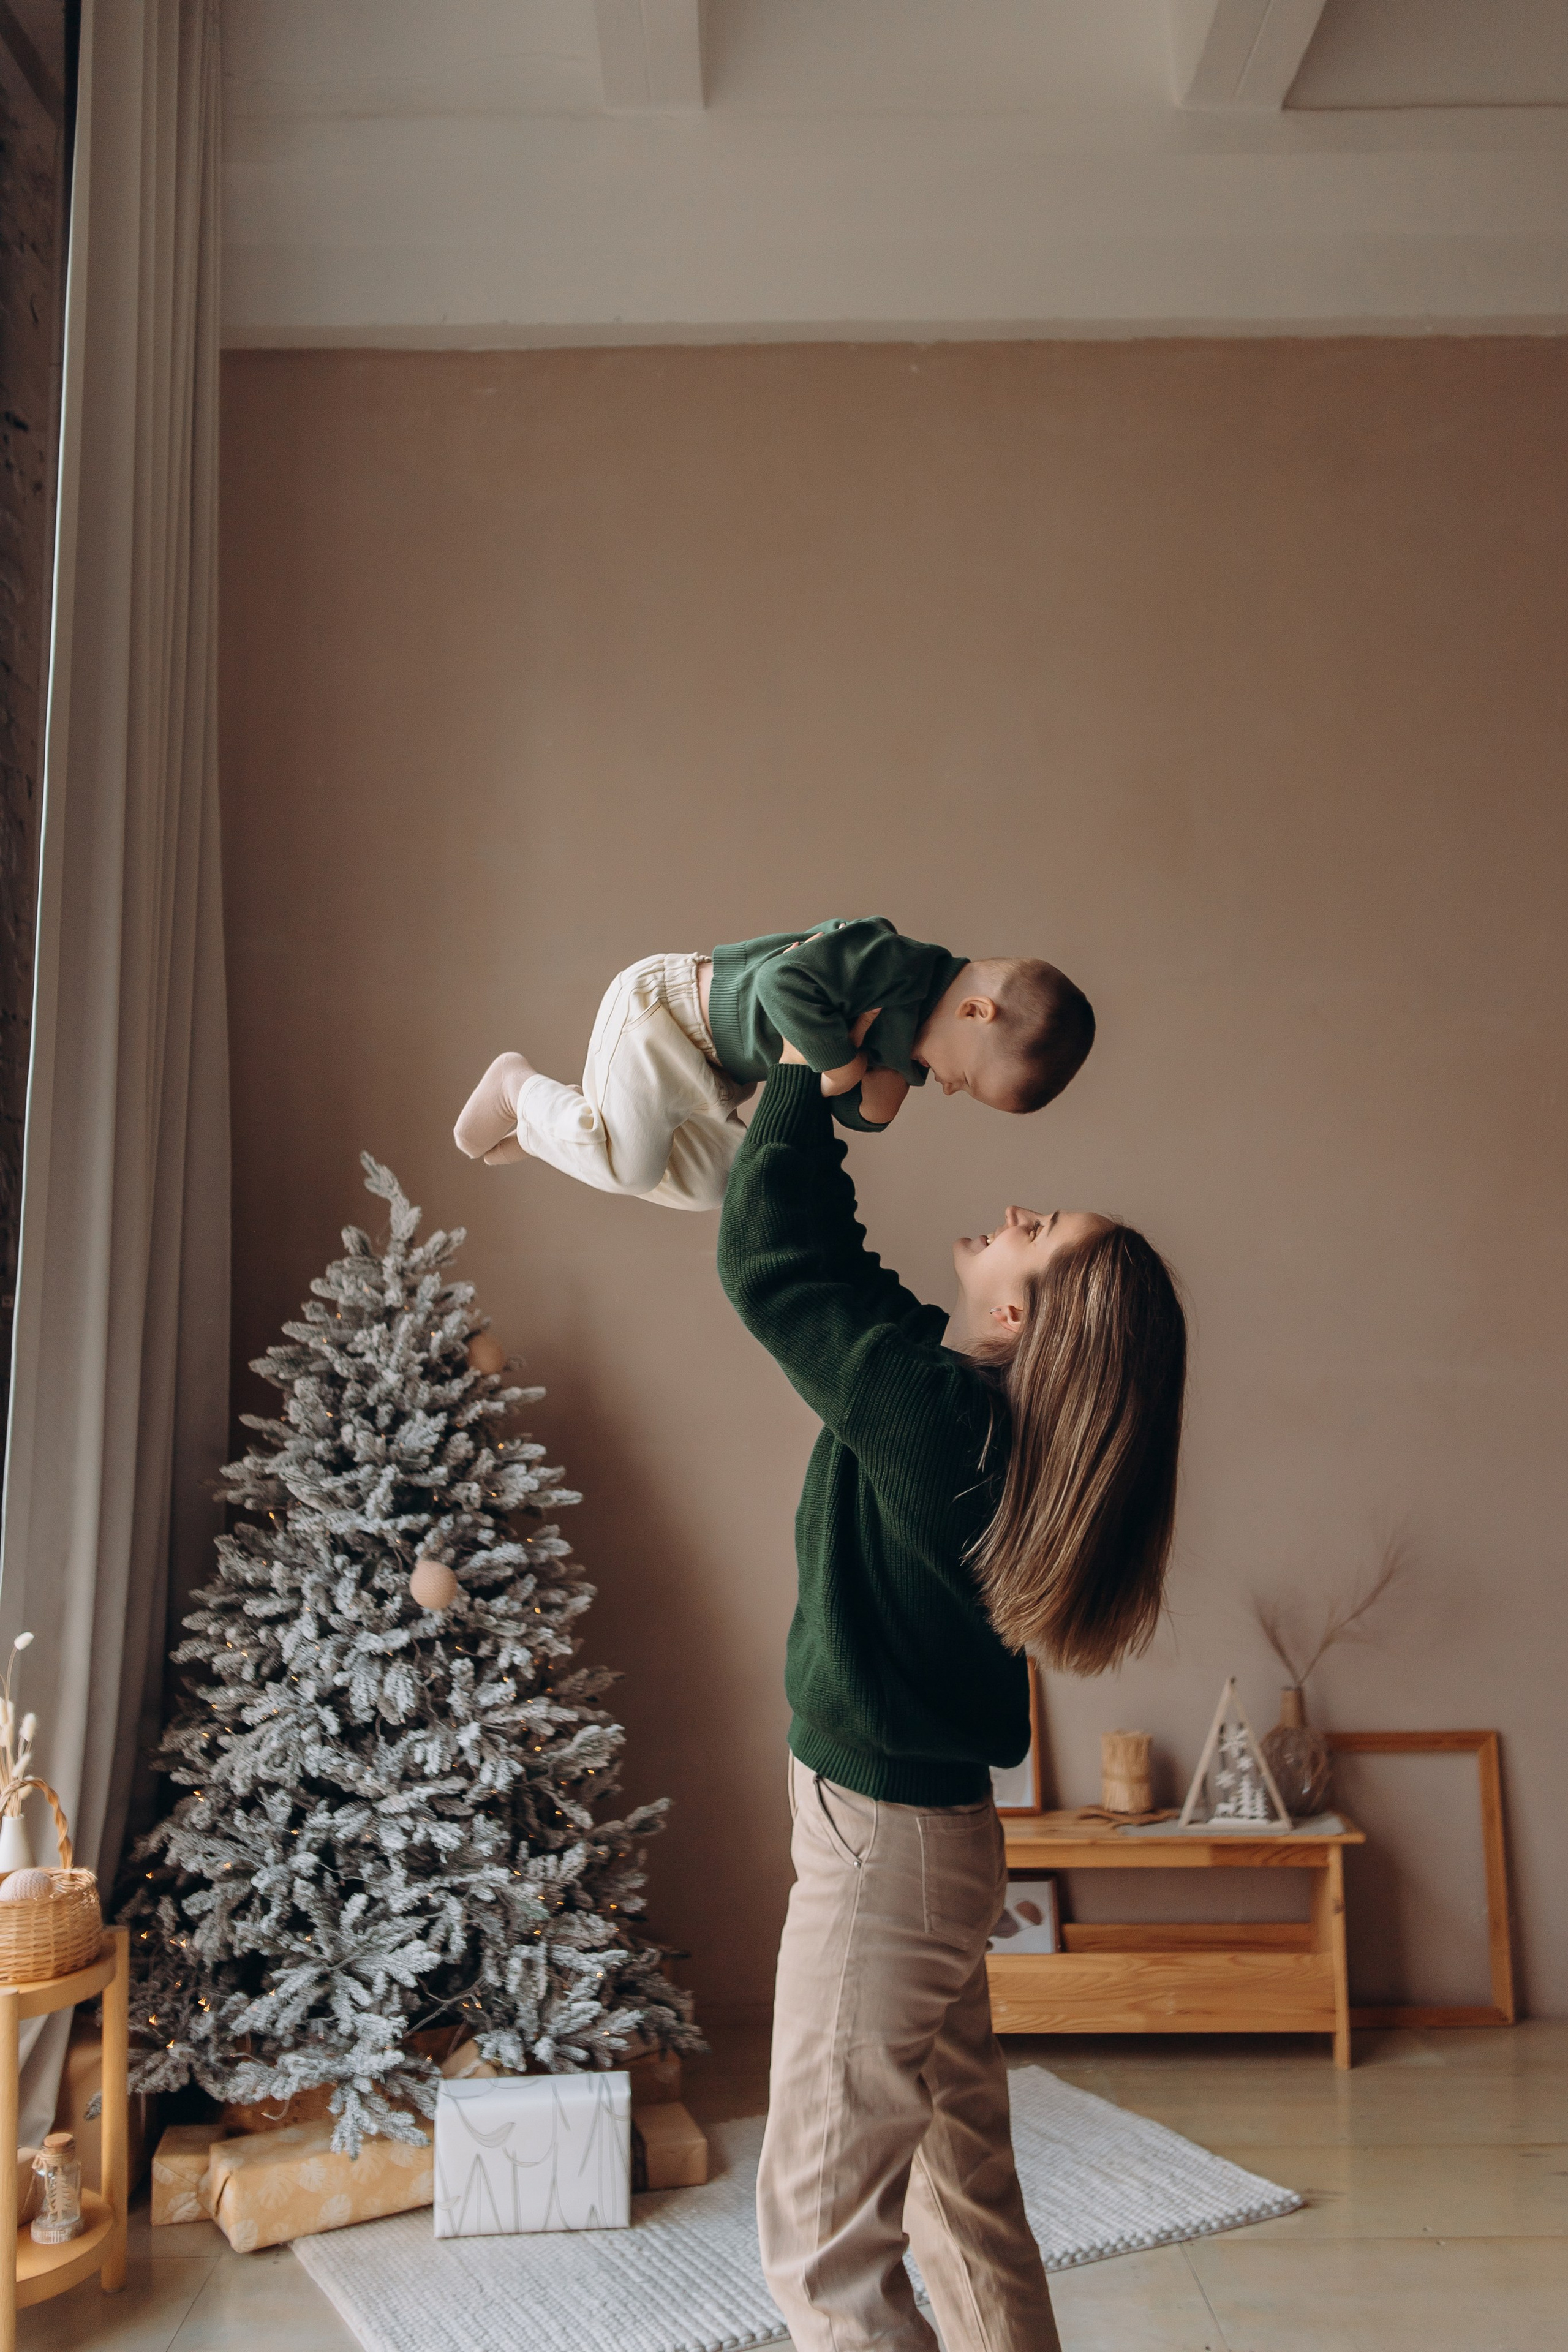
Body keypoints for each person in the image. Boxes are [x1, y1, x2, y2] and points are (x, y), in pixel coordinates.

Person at [717, 1045, 1187, 2352]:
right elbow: (845, 1282)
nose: (1021, 1212)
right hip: (930, 1851)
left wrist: (803, 1084)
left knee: (819, 2247)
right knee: (956, 2201)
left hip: (880, 1862)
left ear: (1015, 1323)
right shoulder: (975, 1420)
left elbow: (773, 1272)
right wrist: (823, 1117)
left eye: (1040, 1239)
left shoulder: (932, 1421)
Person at [451, 915, 1095, 1207]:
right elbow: (783, 983)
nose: (953, 1092)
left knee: (721, 1182)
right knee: (632, 1167)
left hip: (702, 1076)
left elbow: (833, 1099)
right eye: (971, 1082)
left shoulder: (911, 1052)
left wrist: (873, 1101)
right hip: (665, 1016)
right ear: (976, 1012)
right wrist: (843, 1064)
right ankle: (518, 1088)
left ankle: (554, 1133)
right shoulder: (890, 959)